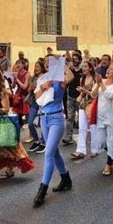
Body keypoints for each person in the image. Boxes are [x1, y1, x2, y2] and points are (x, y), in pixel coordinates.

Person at [33, 55, 74, 207]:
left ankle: (42, 191)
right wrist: (43, 87)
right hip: (44, 118)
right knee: (54, 152)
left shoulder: (60, 80)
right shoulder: (43, 79)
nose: (48, 65)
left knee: (48, 153)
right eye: (46, 62)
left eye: (51, 62)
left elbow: (71, 76)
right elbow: (36, 96)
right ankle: (66, 179)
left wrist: (61, 63)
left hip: (57, 118)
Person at [71, 61, 97, 160]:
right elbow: (83, 94)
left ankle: (95, 149)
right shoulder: (82, 79)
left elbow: (94, 94)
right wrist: (80, 95)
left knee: (93, 127)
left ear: (90, 68)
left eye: (86, 66)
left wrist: (84, 91)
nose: (84, 68)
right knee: (82, 127)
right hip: (83, 105)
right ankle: (81, 150)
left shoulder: (94, 79)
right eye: (83, 67)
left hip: (91, 105)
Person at [63, 53, 83, 145]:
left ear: (79, 60)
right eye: (73, 59)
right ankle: (68, 137)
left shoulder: (82, 70)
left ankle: (83, 136)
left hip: (80, 97)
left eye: (76, 59)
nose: (74, 61)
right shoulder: (70, 70)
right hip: (70, 96)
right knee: (70, 117)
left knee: (82, 118)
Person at [27, 61, 46, 153]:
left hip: (43, 102)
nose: (36, 68)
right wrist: (31, 87)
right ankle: (36, 141)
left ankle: (43, 142)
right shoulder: (33, 77)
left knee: (42, 124)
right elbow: (28, 89)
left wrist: (37, 87)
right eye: (35, 66)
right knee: (30, 123)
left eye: (38, 66)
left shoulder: (46, 77)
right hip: (34, 102)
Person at [12, 59, 30, 127]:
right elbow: (13, 86)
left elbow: (24, 87)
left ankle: (30, 134)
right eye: (17, 63)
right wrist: (14, 78)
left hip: (25, 96)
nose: (18, 65)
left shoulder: (27, 74)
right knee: (16, 115)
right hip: (18, 96)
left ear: (23, 65)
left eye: (19, 63)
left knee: (27, 116)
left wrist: (17, 79)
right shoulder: (17, 74)